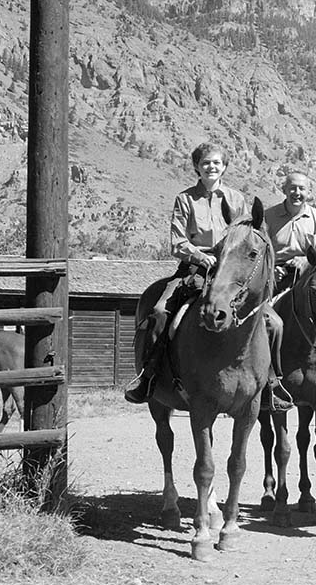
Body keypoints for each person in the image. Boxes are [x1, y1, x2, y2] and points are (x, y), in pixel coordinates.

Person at [125, 142, 293, 411]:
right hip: (194, 270)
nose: (211, 167)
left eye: (216, 162)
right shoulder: (185, 199)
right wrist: (203, 257)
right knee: (158, 312)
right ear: (196, 167)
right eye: (205, 163)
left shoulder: (236, 200)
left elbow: (245, 236)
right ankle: (149, 376)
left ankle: (272, 382)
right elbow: (177, 243)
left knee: (275, 322)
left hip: (230, 271)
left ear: (224, 167)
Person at [263, 170, 316, 290]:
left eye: (302, 188)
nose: (297, 193)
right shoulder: (268, 216)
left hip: (307, 279)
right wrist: (270, 271)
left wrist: (306, 260)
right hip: (274, 279)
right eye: (292, 188)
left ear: (309, 192)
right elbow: (257, 252)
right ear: (284, 190)